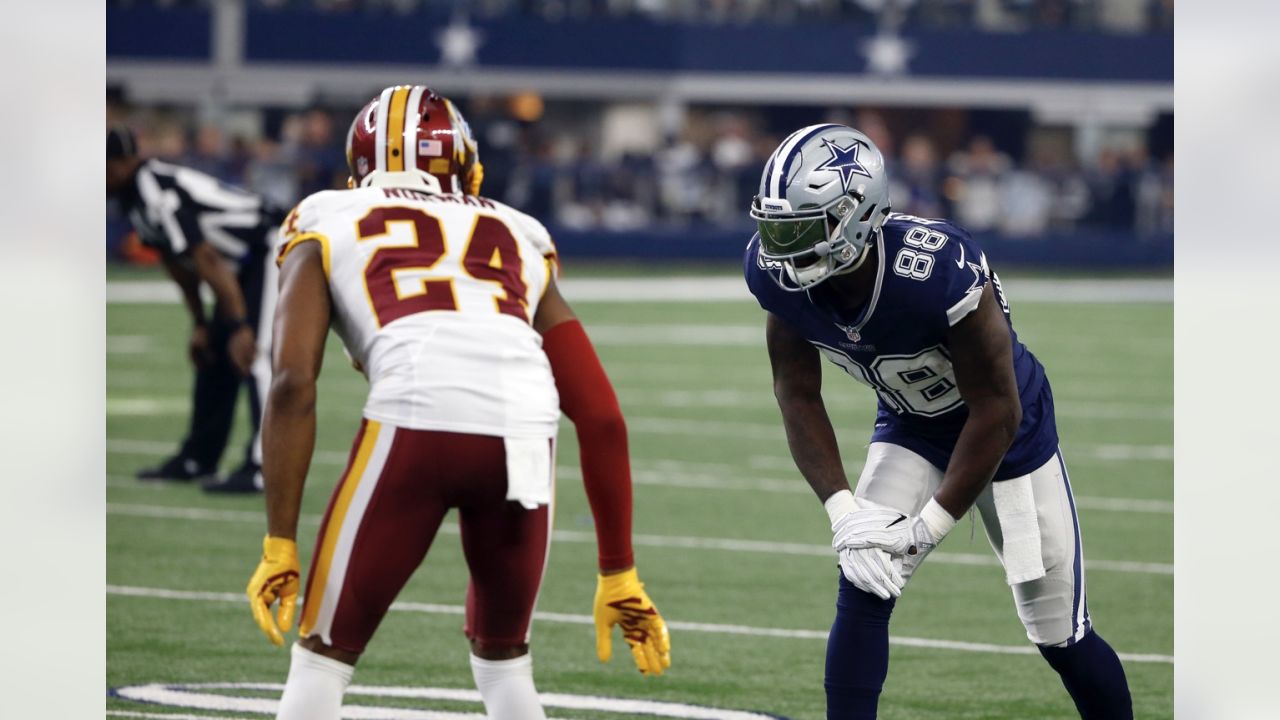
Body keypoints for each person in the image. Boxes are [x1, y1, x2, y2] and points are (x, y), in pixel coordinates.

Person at [244, 85, 670, 720]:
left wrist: (280, 540)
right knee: (505, 669)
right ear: (462, 159)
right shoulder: (515, 228)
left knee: (321, 662)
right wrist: (619, 571)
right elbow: (601, 414)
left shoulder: (325, 215)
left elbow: (290, 382)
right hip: (526, 435)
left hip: (417, 420)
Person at [743, 124, 1132, 719]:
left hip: (1011, 442)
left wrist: (927, 527)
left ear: (855, 215)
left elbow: (998, 411)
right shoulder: (778, 276)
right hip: (912, 425)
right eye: (773, 228)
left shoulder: (934, 272)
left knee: (1059, 635)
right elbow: (796, 392)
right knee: (865, 577)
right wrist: (843, 510)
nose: (780, 248)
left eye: (798, 228)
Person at [107, 125, 285, 493]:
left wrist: (238, 325)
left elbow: (205, 257)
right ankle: (198, 458)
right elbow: (177, 260)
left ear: (122, 163)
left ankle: (264, 465)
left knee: (256, 355)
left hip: (268, 247)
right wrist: (201, 324)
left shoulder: (154, 189)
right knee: (214, 355)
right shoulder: (132, 194)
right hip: (238, 262)